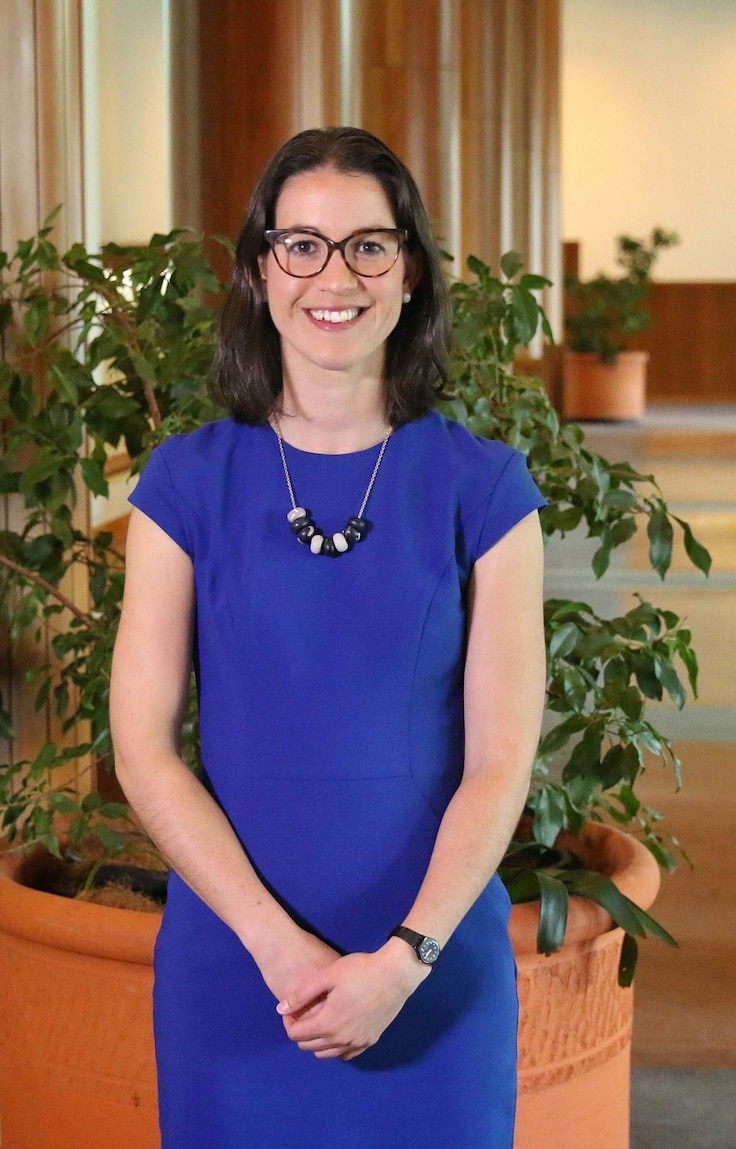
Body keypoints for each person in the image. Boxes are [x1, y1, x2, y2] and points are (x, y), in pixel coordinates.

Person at [110, 125, 546, 1149]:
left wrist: (402, 959)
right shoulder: (183, 485)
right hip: (239, 966)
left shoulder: (486, 490)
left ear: (410, 275)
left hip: (431, 960)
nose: (332, 275)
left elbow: (499, 763)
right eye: (300, 244)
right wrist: (281, 954)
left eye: (367, 245)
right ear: (261, 272)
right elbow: (143, 750)